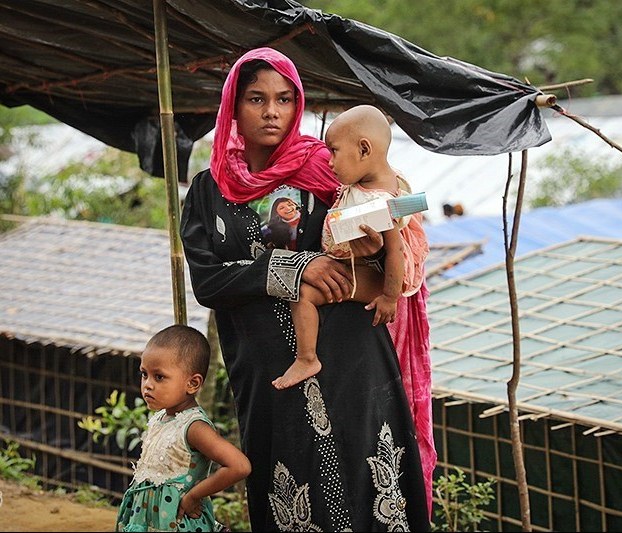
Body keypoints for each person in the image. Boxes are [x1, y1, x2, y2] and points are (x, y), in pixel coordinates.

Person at [180, 47, 433, 530]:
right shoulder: (208, 190)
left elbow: (388, 271)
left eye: (284, 99)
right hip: (268, 370)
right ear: (233, 105)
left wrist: (358, 262)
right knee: (291, 492)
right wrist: (297, 269)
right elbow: (209, 282)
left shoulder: (329, 175)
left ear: (299, 108)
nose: (271, 111)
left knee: (371, 489)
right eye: (255, 99)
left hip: (353, 363)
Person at [272, 104, 429, 391]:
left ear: (364, 150)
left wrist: (389, 298)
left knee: (302, 293)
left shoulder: (380, 202)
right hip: (357, 266)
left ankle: (307, 358)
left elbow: (394, 251)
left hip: (369, 277)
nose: (329, 161)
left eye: (334, 151)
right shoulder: (375, 181)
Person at [115, 324, 252, 532]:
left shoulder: (193, 426)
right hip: (148, 520)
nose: (147, 385)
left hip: (177, 522)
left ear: (193, 384)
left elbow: (239, 466)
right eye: (144, 374)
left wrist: (194, 496)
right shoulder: (161, 417)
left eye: (159, 377)